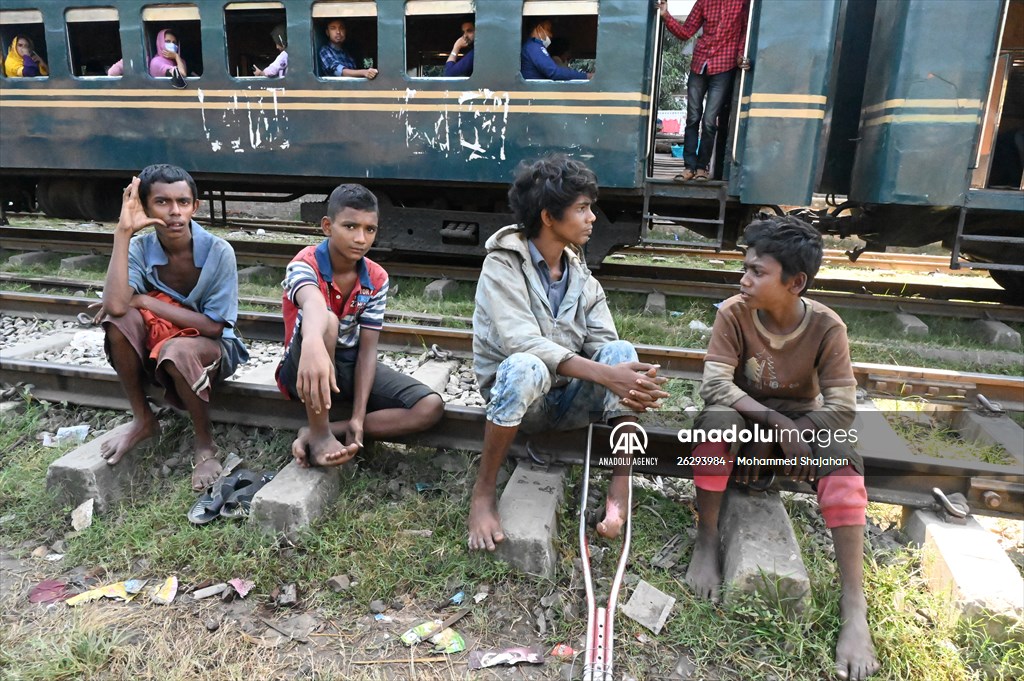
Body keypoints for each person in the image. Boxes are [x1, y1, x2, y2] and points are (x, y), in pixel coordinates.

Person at [685, 215, 879, 680]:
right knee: (715, 423)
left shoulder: (828, 327)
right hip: (751, 422)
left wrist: (801, 427)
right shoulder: (733, 312)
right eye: (745, 268)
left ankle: (854, 600)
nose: (744, 279)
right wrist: (773, 422)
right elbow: (714, 386)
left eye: (757, 271)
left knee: (842, 450)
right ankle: (707, 538)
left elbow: (843, 406)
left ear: (796, 283)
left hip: (800, 426)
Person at [468, 156, 668, 551]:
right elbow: (520, 342)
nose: (592, 217)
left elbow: (605, 344)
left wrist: (630, 380)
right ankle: (484, 491)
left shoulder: (580, 275)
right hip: (523, 403)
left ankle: (619, 486)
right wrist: (608, 376)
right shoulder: (502, 265)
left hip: (569, 400)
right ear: (548, 217)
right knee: (525, 366)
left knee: (621, 351)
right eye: (581, 209)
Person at [99, 164, 248, 491]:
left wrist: (148, 302)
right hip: (158, 349)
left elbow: (212, 326)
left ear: (195, 206)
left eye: (183, 202)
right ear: (145, 207)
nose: (174, 212)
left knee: (177, 349)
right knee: (116, 319)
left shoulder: (218, 252)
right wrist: (122, 233)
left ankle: (205, 444)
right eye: (162, 202)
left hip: (211, 352)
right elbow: (116, 305)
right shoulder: (139, 248)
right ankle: (143, 419)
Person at [276, 184, 444, 466]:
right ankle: (319, 435)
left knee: (430, 406)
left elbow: (367, 351)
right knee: (327, 321)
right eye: (350, 226)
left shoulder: (376, 277)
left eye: (370, 229)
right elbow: (314, 304)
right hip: (303, 364)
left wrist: (358, 416)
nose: (360, 238)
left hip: (347, 364)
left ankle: (333, 429)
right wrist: (314, 342)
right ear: (327, 226)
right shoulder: (304, 264)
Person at [657, 0, 750, 182]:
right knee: (692, 117)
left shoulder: (741, 3)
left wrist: (741, 54)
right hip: (700, 64)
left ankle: (702, 168)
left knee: (709, 121)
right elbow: (686, 32)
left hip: (724, 65)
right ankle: (689, 167)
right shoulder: (704, 2)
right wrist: (665, 15)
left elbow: (745, 31)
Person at [521, 20, 591, 81]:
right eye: (548, 30)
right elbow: (554, 72)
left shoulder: (531, 46)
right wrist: (586, 76)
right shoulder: (534, 47)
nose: (551, 35)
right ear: (539, 29)